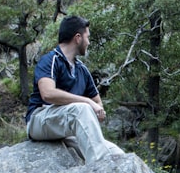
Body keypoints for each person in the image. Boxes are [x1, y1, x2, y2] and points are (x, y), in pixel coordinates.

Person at [26, 16, 124, 163]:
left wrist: (97, 111)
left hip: (66, 129)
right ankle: (100, 172)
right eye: (88, 37)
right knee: (82, 109)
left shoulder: (82, 70)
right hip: (38, 119)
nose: (89, 42)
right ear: (78, 38)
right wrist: (86, 102)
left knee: (118, 155)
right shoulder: (51, 60)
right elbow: (47, 94)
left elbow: (97, 102)